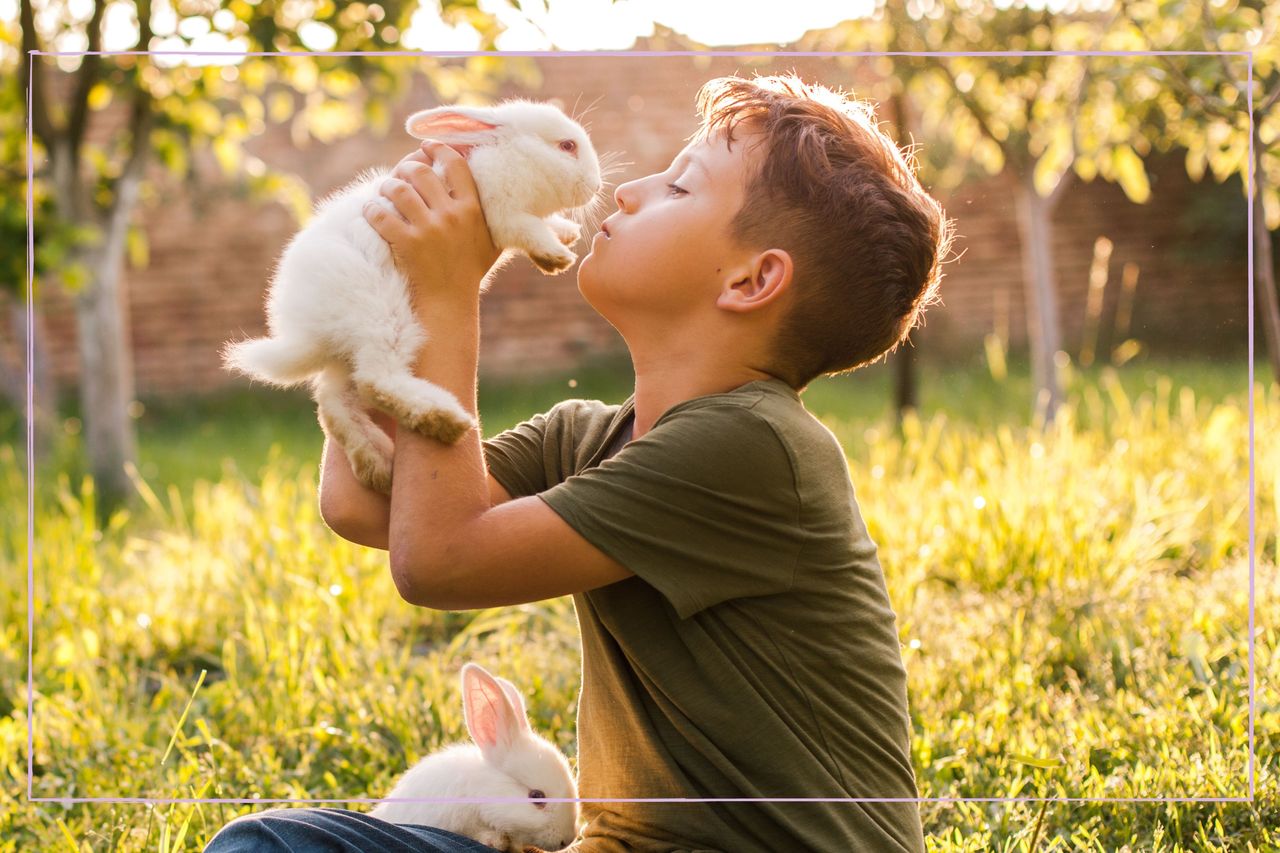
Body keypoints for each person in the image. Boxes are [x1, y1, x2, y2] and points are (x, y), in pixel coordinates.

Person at [205, 72, 953, 853]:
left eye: (679, 186)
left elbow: (439, 560)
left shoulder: (750, 446)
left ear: (752, 280)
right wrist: (379, 282)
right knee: (275, 842)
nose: (628, 191)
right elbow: (368, 508)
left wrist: (447, 295)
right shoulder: (588, 437)